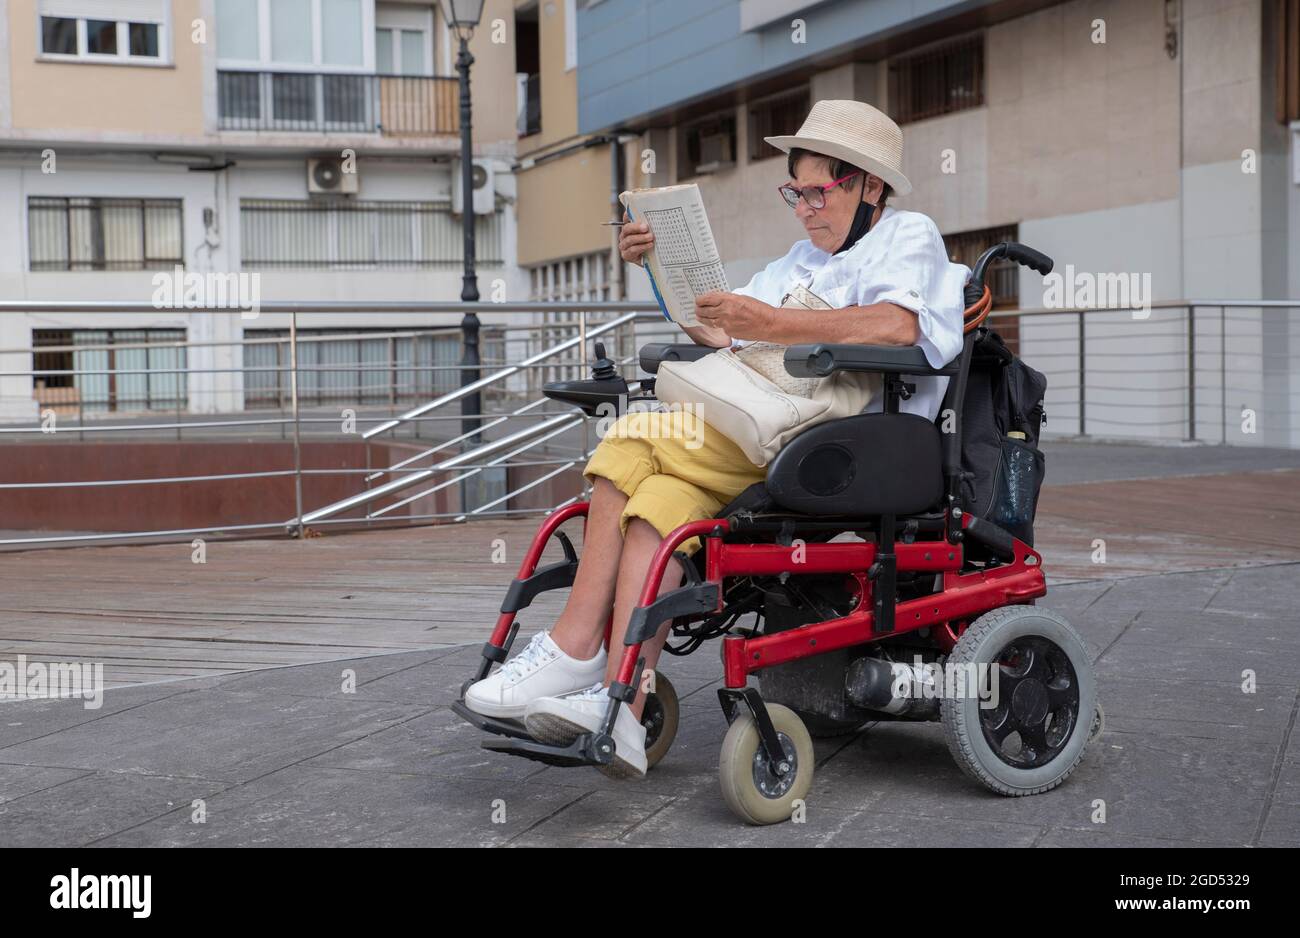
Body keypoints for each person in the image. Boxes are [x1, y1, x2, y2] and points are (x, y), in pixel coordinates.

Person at [464, 99, 970, 779]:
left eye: (818, 191)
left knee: (632, 440)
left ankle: (572, 644)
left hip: (850, 436)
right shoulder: (797, 260)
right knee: (659, 506)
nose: (805, 209)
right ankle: (619, 703)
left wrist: (772, 322)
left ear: (869, 186)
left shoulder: (909, 236)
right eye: (796, 192)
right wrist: (657, 267)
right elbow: (726, 334)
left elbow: (898, 327)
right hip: (773, 418)